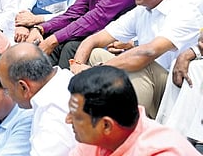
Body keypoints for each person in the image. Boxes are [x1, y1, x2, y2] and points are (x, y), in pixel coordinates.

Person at [69, 0, 203, 118]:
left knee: (139, 63)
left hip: (176, 90)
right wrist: (76, 66)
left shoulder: (184, 10)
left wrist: (95, 72)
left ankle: (129, 126)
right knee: (97, 53)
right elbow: (94, 39)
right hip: (151, 81)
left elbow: (147, 53)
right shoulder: (143, 9)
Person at [66, 65, 200, 156]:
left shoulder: (162, 151)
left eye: (77, 117)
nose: (67, 119)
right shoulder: (95, 141)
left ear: (106, 125)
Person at [0, 42, 76, 156]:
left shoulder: (53, 118)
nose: (8, 95)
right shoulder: (64, 79)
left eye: (7, 89)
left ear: (23, 87)